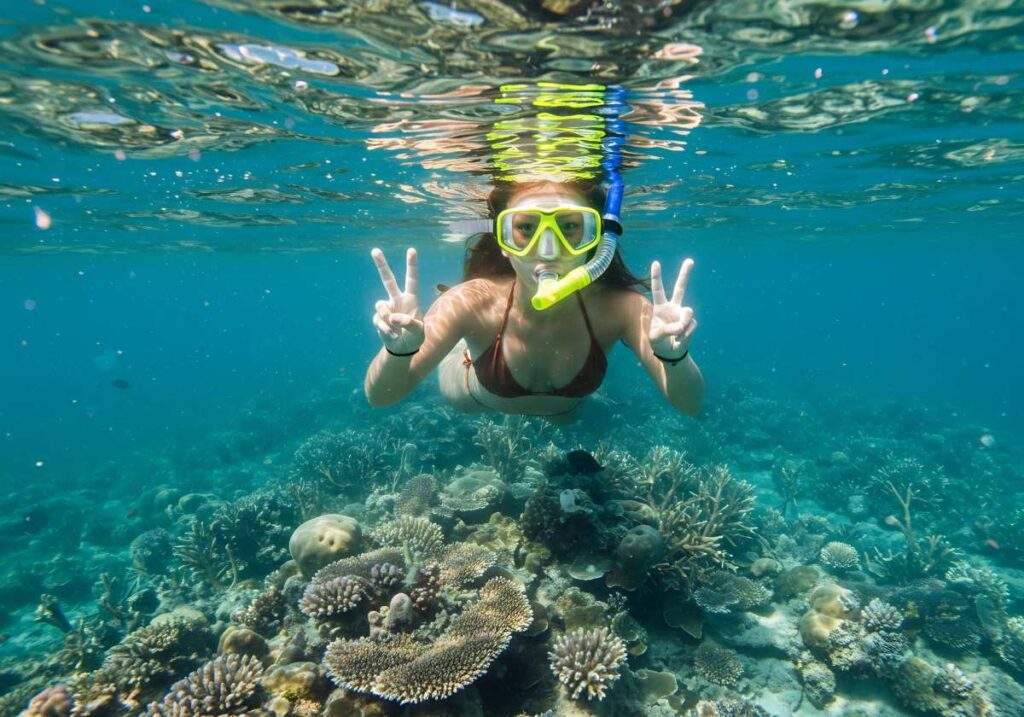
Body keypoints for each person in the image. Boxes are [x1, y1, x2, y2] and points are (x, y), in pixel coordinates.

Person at [364, 178, 704, 423]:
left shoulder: (622, 309)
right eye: (525, 229)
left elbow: (690, 404)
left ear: (597, 240)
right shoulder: (470, 303)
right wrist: (399, 350)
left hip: (566, 410)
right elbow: (381, 397)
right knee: (461, 329)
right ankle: (465, 347)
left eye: (570, 226)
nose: (548, 250)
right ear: (501, 239)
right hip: (474, 395)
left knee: (564, 419)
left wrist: (675, 357)